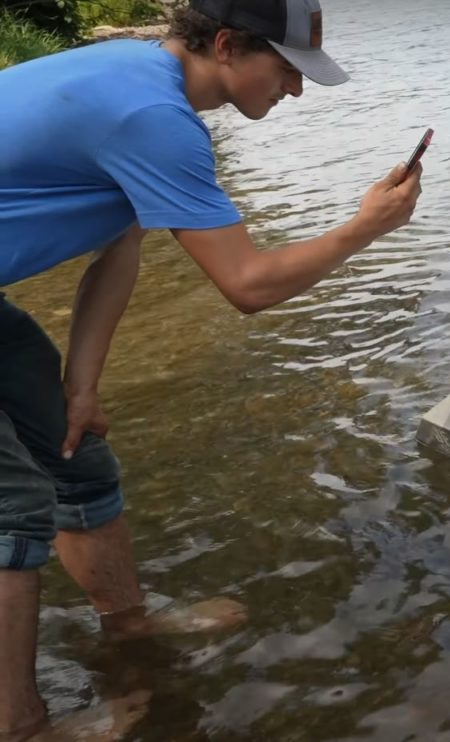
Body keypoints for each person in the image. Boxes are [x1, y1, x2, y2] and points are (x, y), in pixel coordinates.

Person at [0, 1, 423, 738]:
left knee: (77, 457)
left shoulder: (138, 84)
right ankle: (21, 724)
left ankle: (126, 627)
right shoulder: (151, 119)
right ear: (226, 45)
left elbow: (120, 247)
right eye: (287, 69)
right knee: (13, 512)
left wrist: (82, 386)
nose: (295, 89)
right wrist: (362, 230)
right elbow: (249, 286)